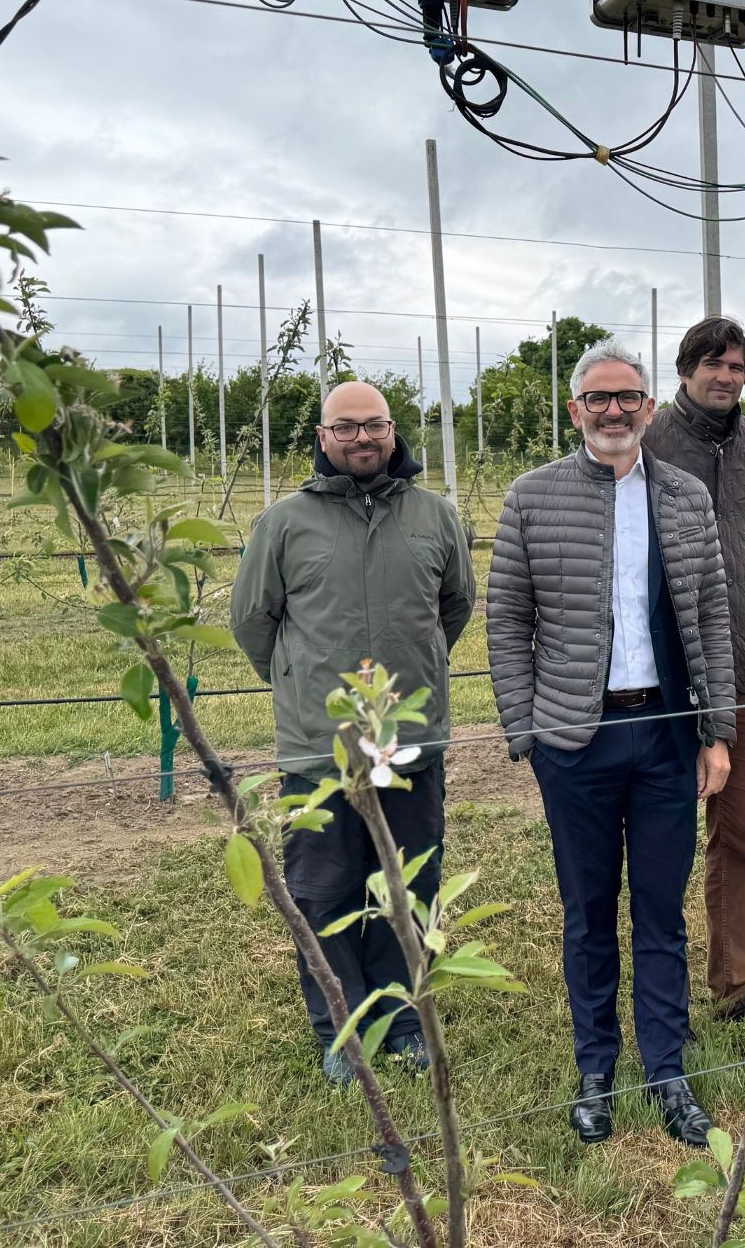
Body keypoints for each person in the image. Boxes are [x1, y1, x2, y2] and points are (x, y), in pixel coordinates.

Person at [487, 339, 735, 1149]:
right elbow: (507, 620)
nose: (615, 411)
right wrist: (527, 730)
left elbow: (709, 617)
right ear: (576, 411)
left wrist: (718, 729)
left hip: (665, 732)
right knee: (588, 914)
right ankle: (596, 1068)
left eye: (629, 397)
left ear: (649, 407)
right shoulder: (533, 497)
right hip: (577, 739)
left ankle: (667, 1070)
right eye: (599, 398)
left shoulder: (686, 497)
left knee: (661, 914)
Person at [232, 380, 475, 1086]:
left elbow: (454, 607)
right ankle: (341, 1025)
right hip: (321, 745)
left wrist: (416, 667)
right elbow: (253, 620)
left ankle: (403, 1019)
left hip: (410, 738)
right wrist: (301, 687)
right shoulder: (285, 523)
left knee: (407, 881)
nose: (362, 439)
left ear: (394, 432)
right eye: (346, 428)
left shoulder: (436, 517)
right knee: (323, 887)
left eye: (374, 426)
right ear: (322, 436)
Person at [642, 316, 745, 1048]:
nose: (727, 377)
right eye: (714, 364)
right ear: (685, 370)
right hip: (665, 677)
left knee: (738, 835)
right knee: (660, 836)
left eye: (738, 366)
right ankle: (658, 988)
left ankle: (735, 986)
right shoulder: (649, 442)